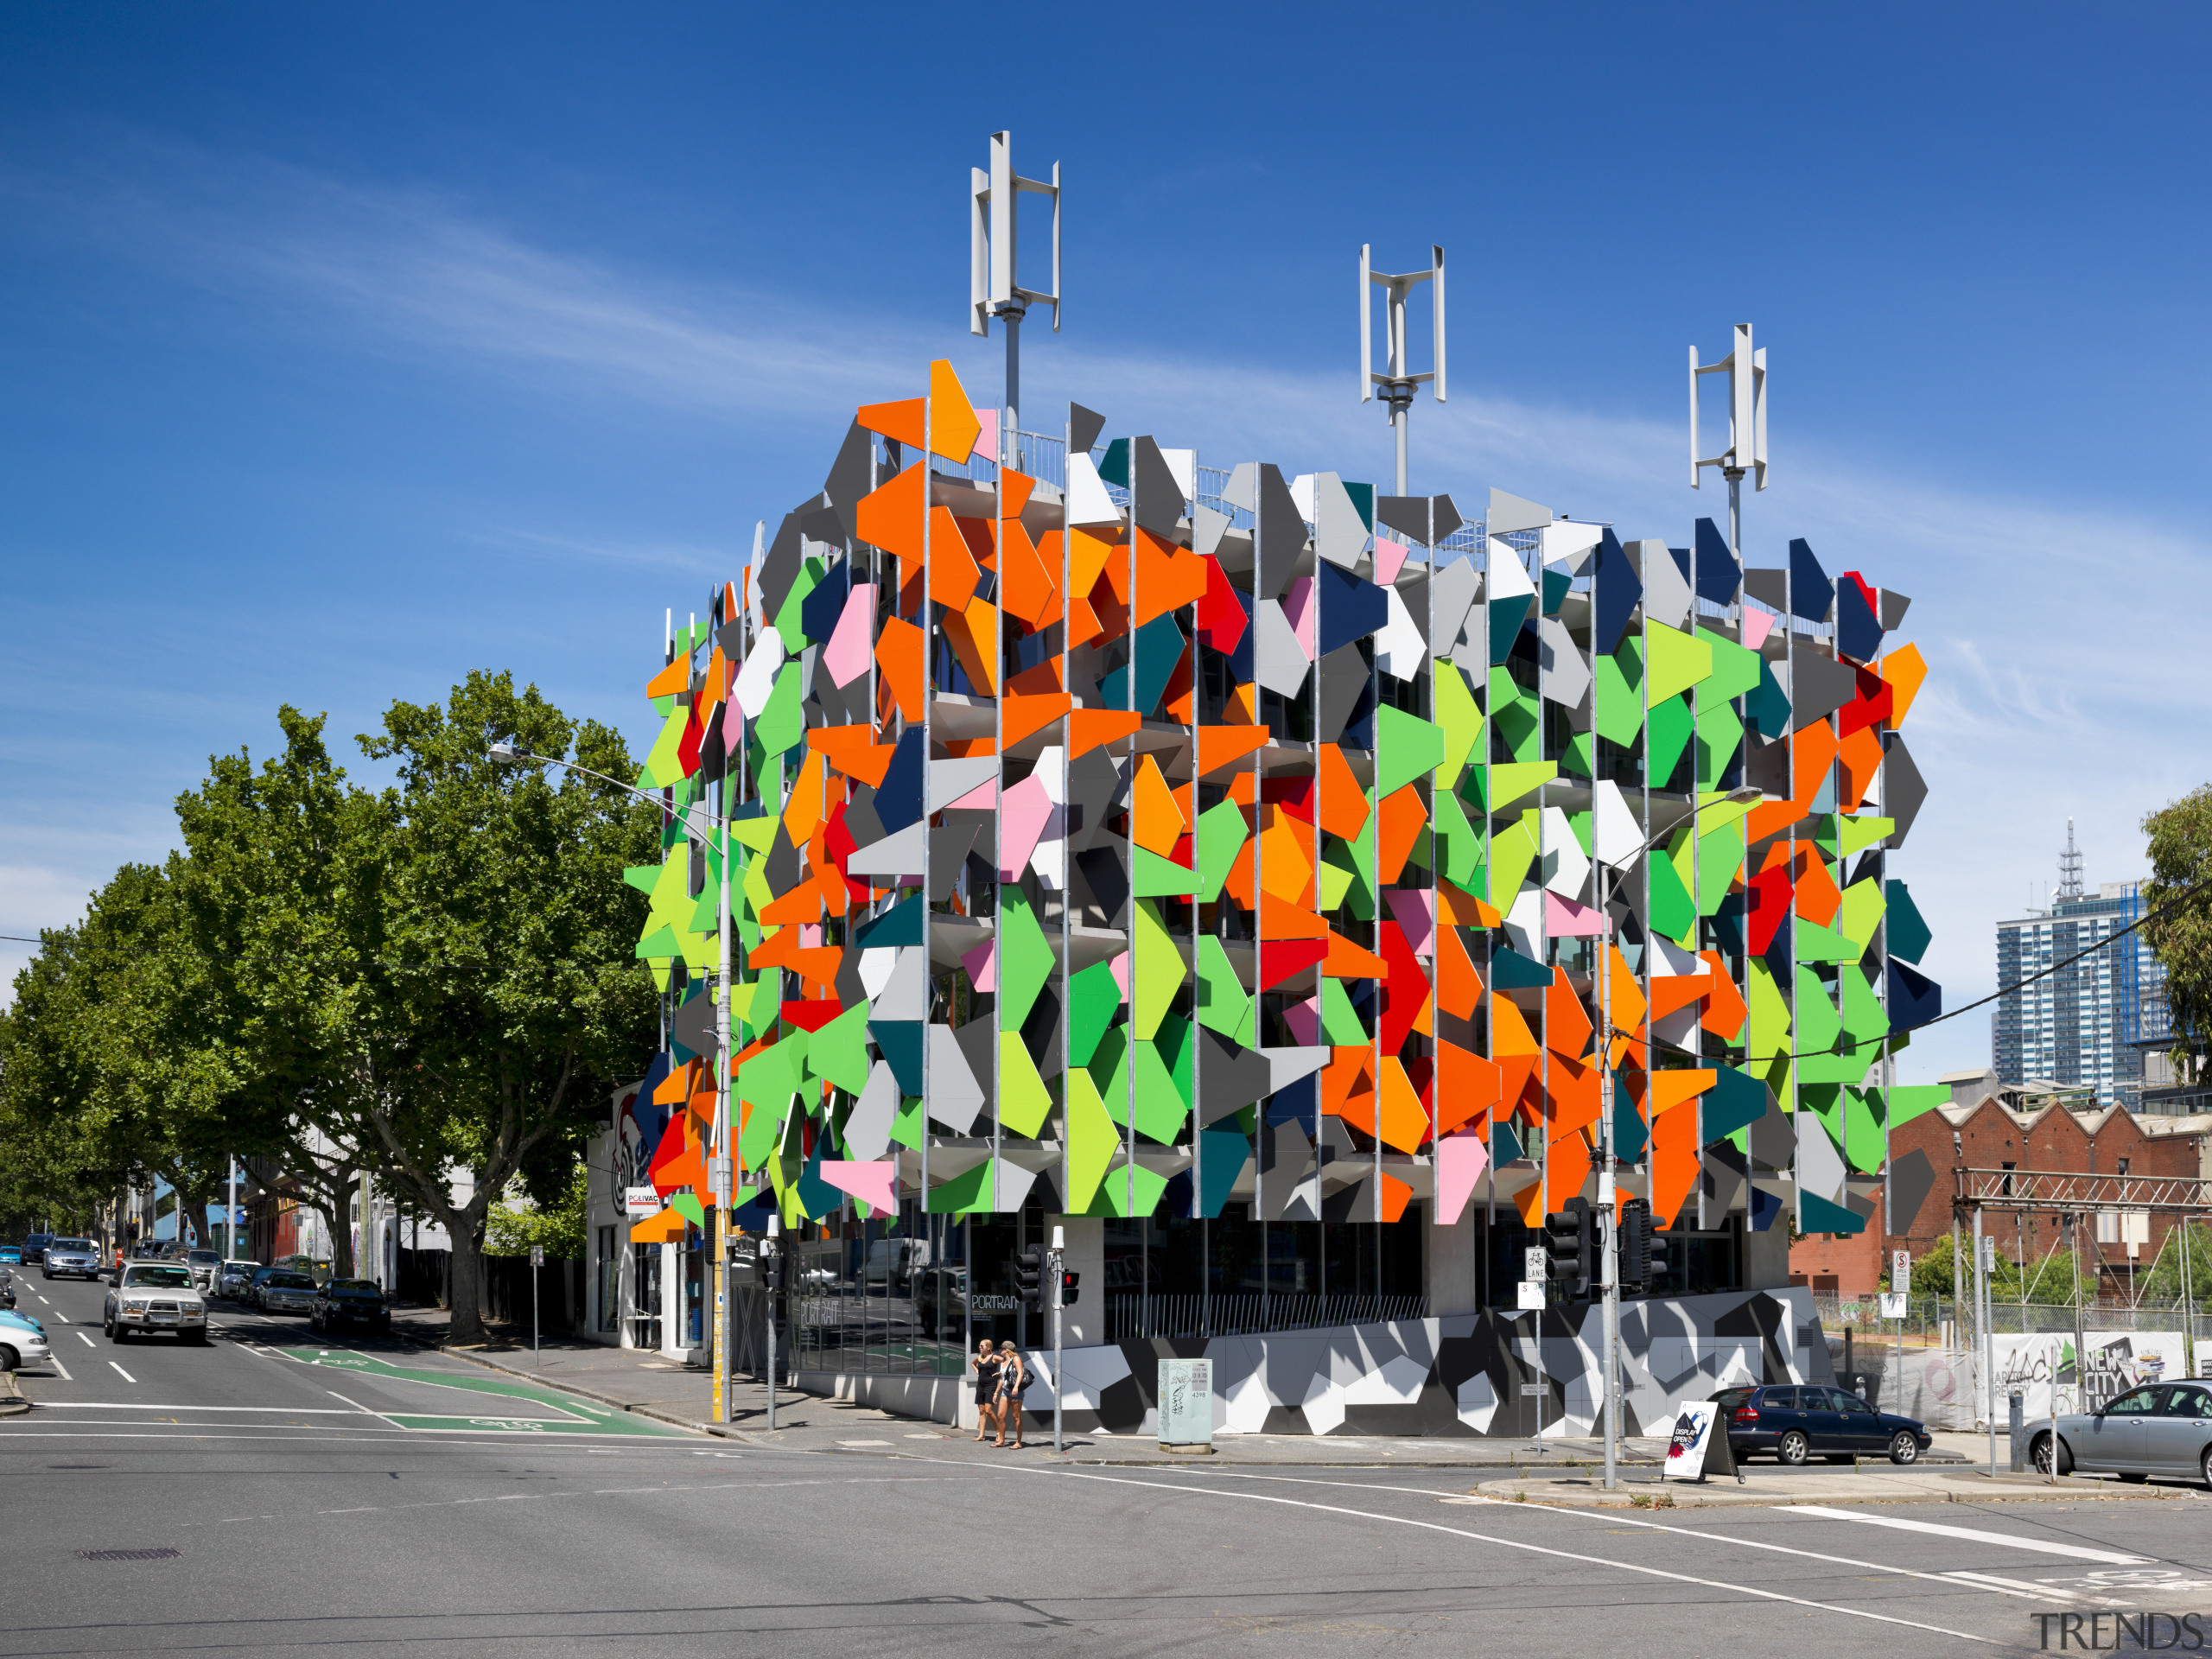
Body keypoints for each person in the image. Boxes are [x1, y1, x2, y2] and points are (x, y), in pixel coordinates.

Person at [969, 1338, 1001, 1443]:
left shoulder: (995, 1357)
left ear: (988, 1347)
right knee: (982, 1411)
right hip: (980, 1386)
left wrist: (1001, 1373)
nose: (980, 1348)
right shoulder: (979, 1357)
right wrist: (977, 1370)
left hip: (990, 1385)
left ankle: (998, 1432)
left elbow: (1007, 1361)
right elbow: (972, 1363)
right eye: (979, 1346)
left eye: (982, 1346)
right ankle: (982, 1435)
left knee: (988, 1410)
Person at [995, 1345, 1027, 1448]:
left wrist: (1016, 1387)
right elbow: (1001, 1379)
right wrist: (996, 1392)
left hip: (1016, 1391)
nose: (1000, 1350)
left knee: (1016, 1417)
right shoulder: (1003, 1361)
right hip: (1006, 1391)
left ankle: (1018, 1442)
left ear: (1008, 1350)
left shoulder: (1016, 1359)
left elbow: (1020, 1373)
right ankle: (1002, 1441)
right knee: (1000, 1416)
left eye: (1002, 1348)